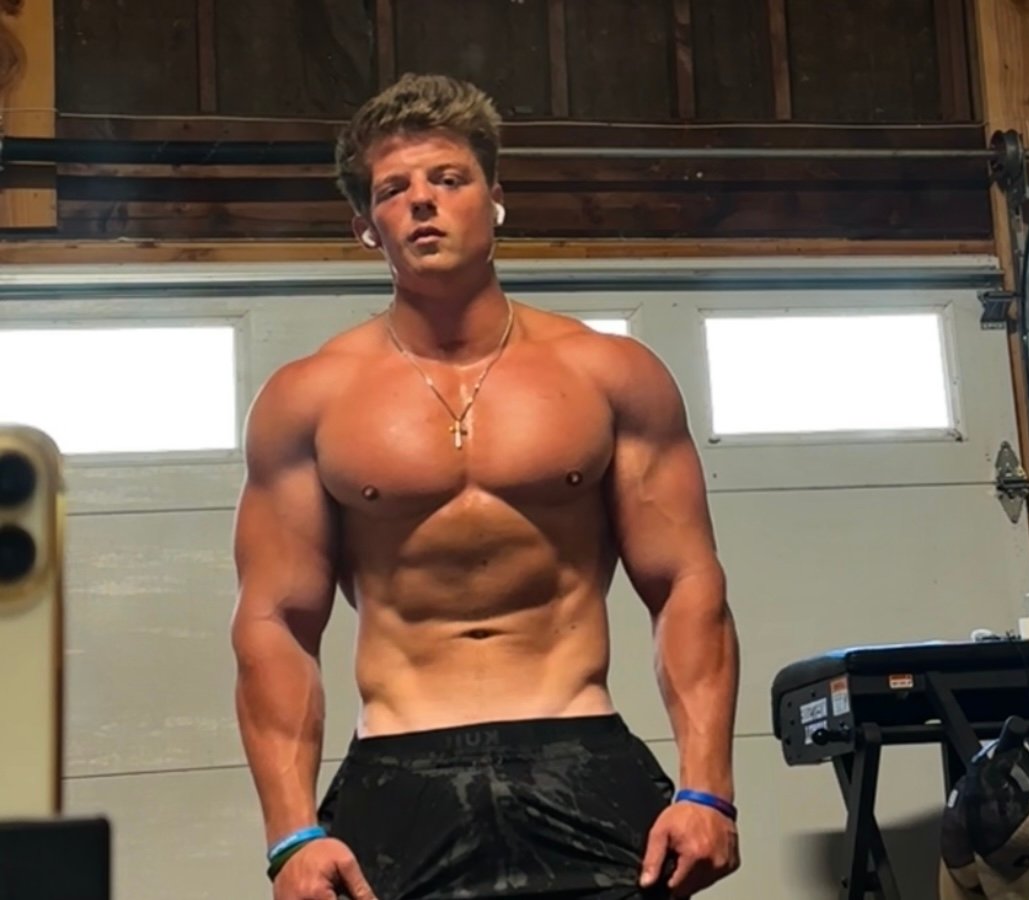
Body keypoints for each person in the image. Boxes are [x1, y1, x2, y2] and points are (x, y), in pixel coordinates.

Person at [231, 72, 740, 900]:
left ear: (496, 200)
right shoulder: (309, 397)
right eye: (392, 189)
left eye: (449, 179)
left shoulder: (609, 373)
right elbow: (274, 620)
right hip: (401, 769)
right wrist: (291, 834)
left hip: (578, 748)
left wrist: (707, 788)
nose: (422, 201)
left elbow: (686, 580)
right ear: (365, 228)